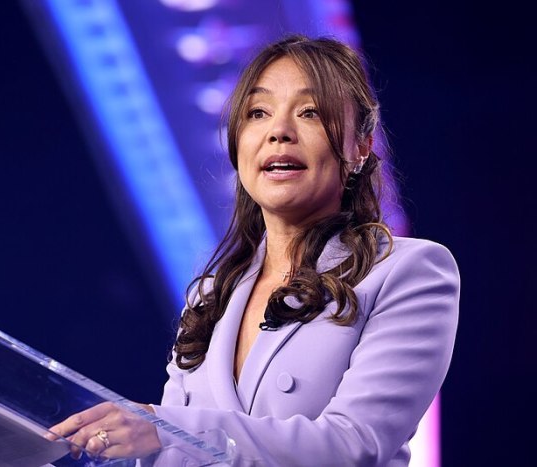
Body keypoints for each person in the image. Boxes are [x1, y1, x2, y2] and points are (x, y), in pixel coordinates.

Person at [50, 34, 460, 466]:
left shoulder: (411, 272)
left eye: (310, 113)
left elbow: (351, 446)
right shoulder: (211, 296)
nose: (279, 132)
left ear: (360, 147)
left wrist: (163, 428)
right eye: (258, 113)